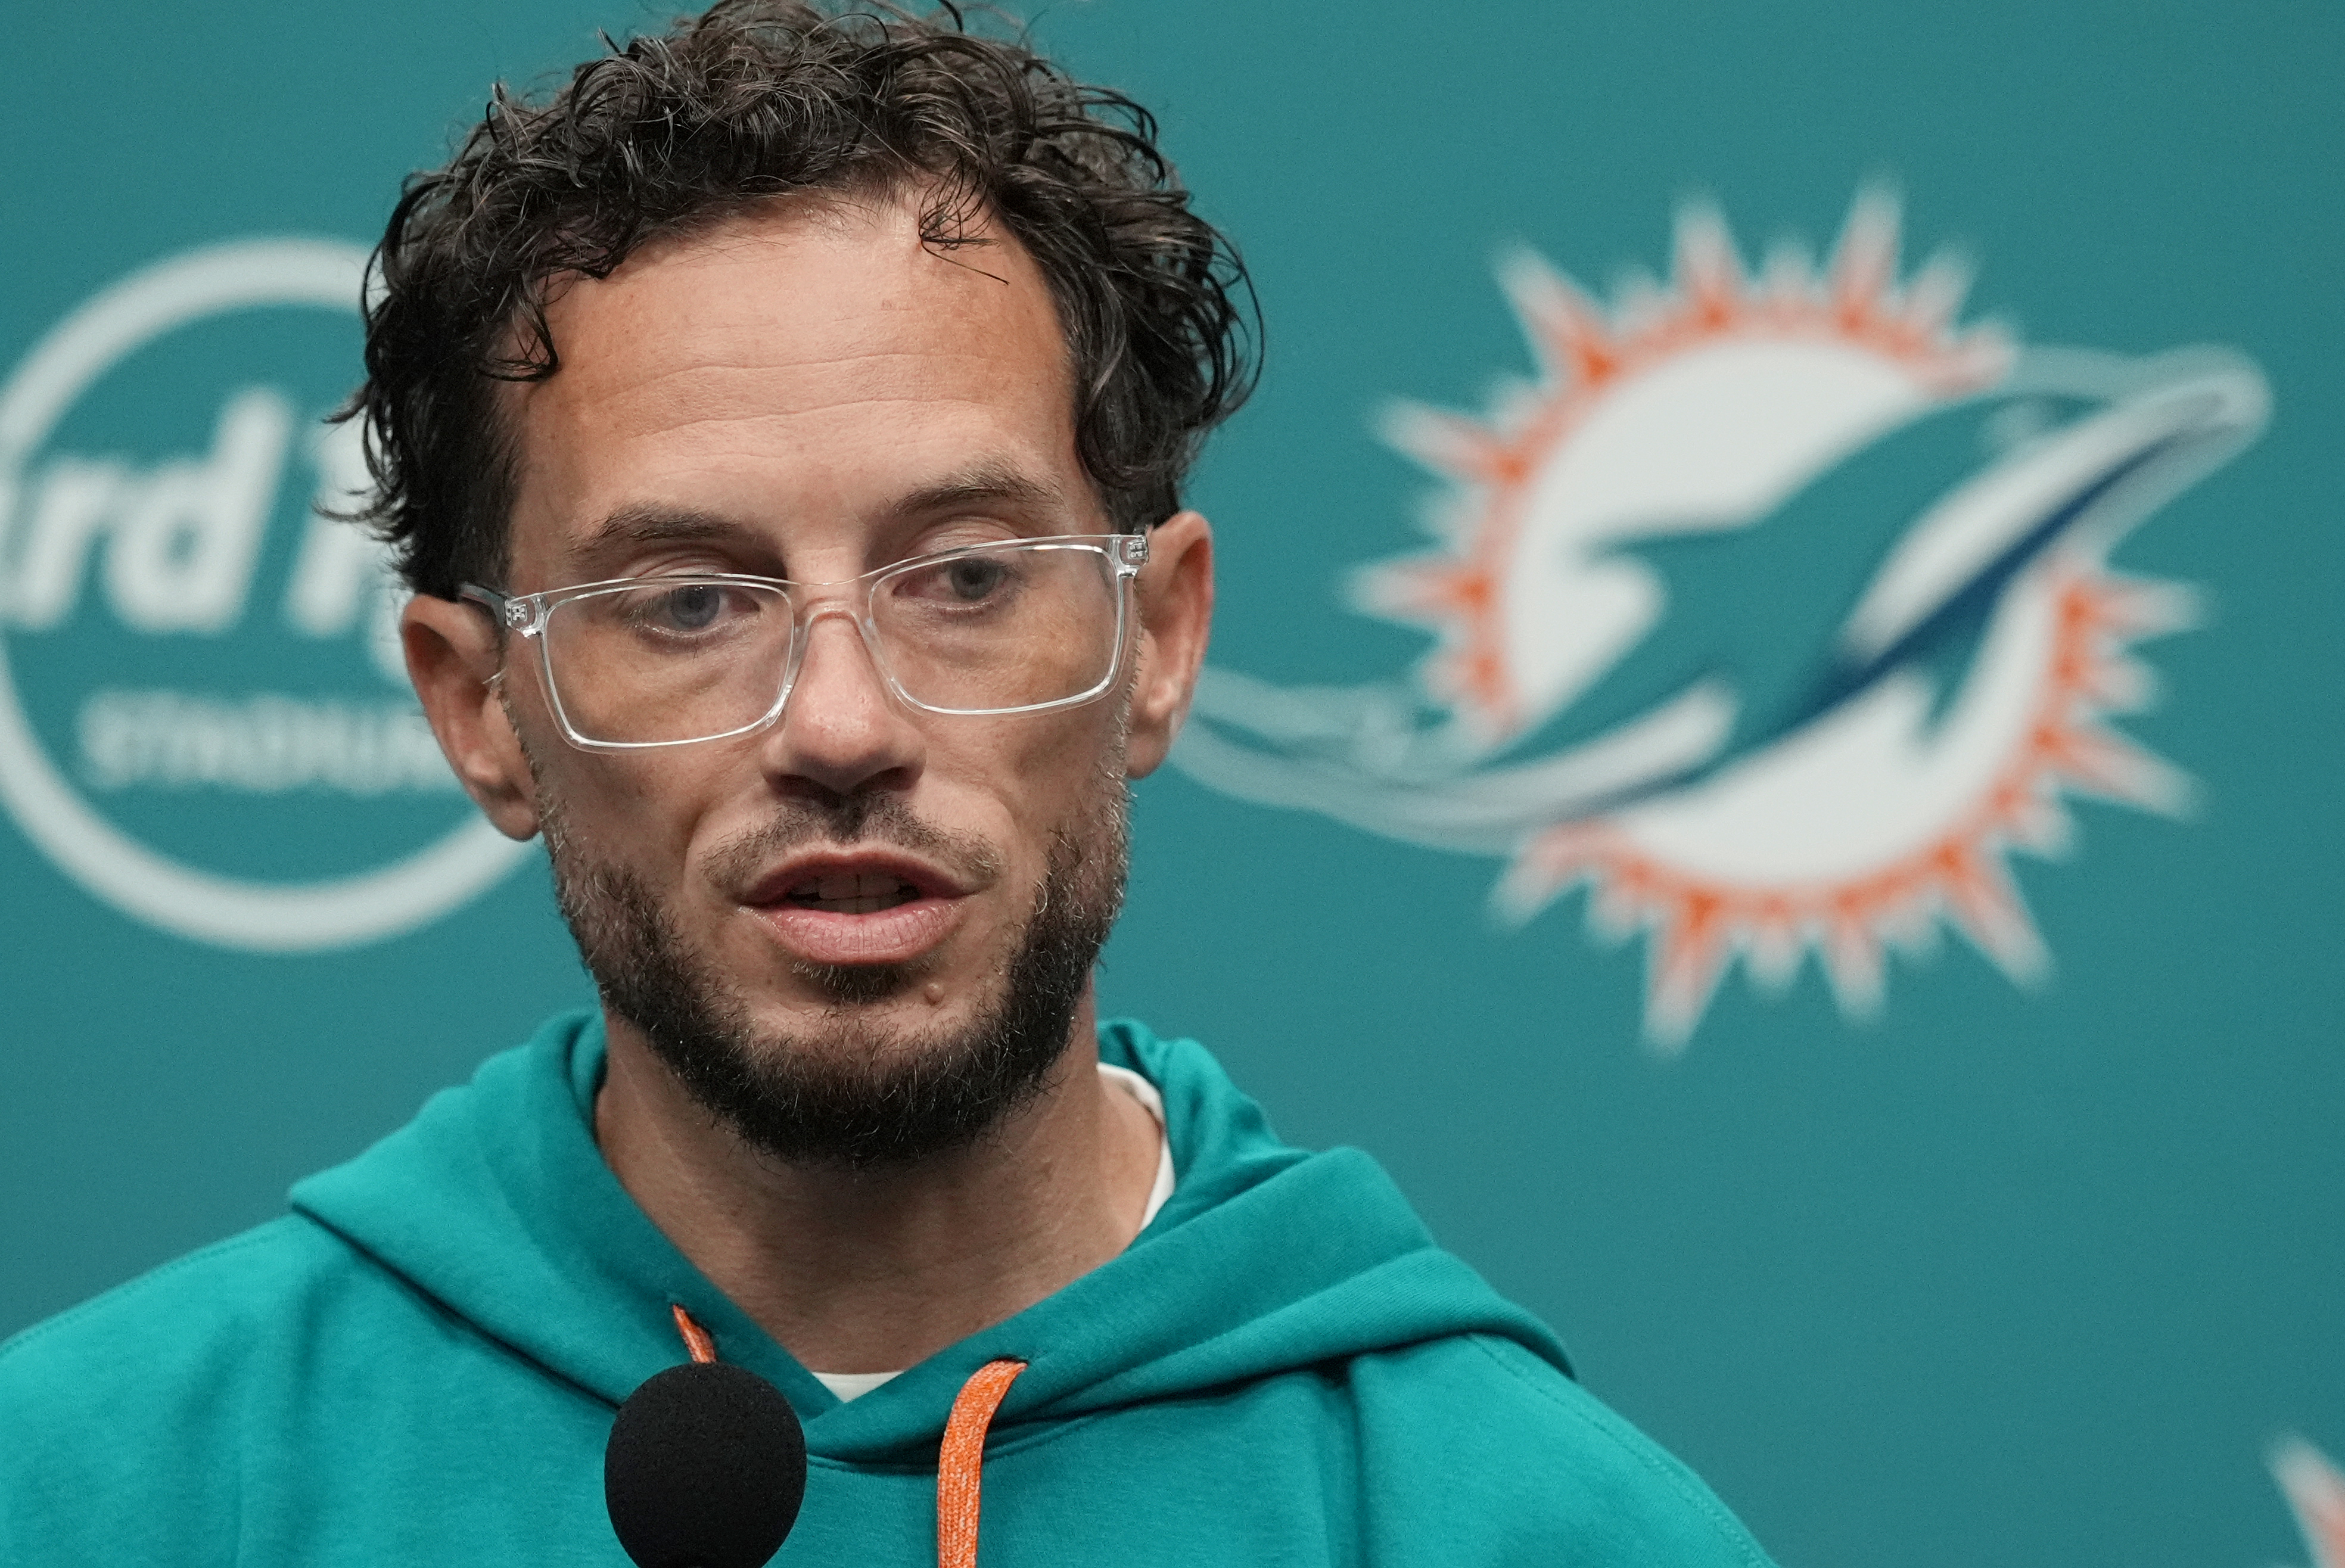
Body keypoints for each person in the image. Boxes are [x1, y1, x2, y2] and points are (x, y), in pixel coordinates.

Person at [0, 5, 1777, 1563]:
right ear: (480, 710)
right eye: (688, 601)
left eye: (965, 577)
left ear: (1155, 640)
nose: (840, 724)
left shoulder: (1534, 1529)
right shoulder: (96, 1489)